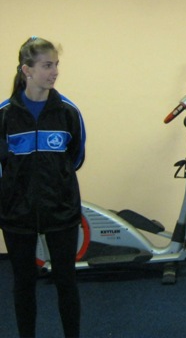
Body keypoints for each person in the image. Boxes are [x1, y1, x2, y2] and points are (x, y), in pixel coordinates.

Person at [0, 37, 86, 338]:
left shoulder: (67, 112)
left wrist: (55, 184)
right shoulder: (5, 114)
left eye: (56, 65)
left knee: (66, 281)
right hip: (16, 214)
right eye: (47, 65)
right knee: (23, 284)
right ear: (27, 70)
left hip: (61, 211)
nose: (55, 72)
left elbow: (76, 157)